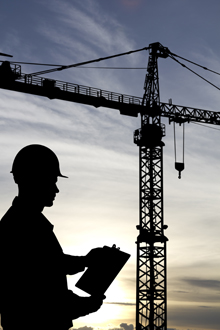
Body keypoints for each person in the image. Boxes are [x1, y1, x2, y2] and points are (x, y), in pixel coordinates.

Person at [0, 144, 104, 330]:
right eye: (52, 181)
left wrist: (86, 261)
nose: (56, 190)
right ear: (35, 180)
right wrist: (86, 305)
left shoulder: (24, 222)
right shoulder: (24, 226)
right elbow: (37, 298)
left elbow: (49, 266)